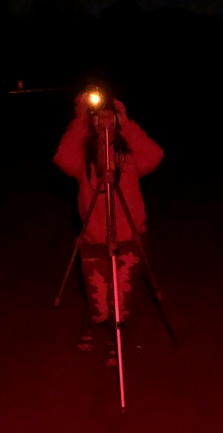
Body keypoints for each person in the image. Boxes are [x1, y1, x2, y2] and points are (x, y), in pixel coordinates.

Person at [54, 90, 163, 365]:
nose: (104, 122)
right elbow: (62, 161)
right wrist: (79, 120)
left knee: (121, 303)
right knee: (98, 303)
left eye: (109, 116)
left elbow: (154, 157)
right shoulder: (83, 153)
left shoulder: (129, 151)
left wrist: (128, 123)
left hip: (129, 238)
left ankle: (116, 338)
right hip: (94, 242)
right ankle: (91, 324)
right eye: (98, 117)